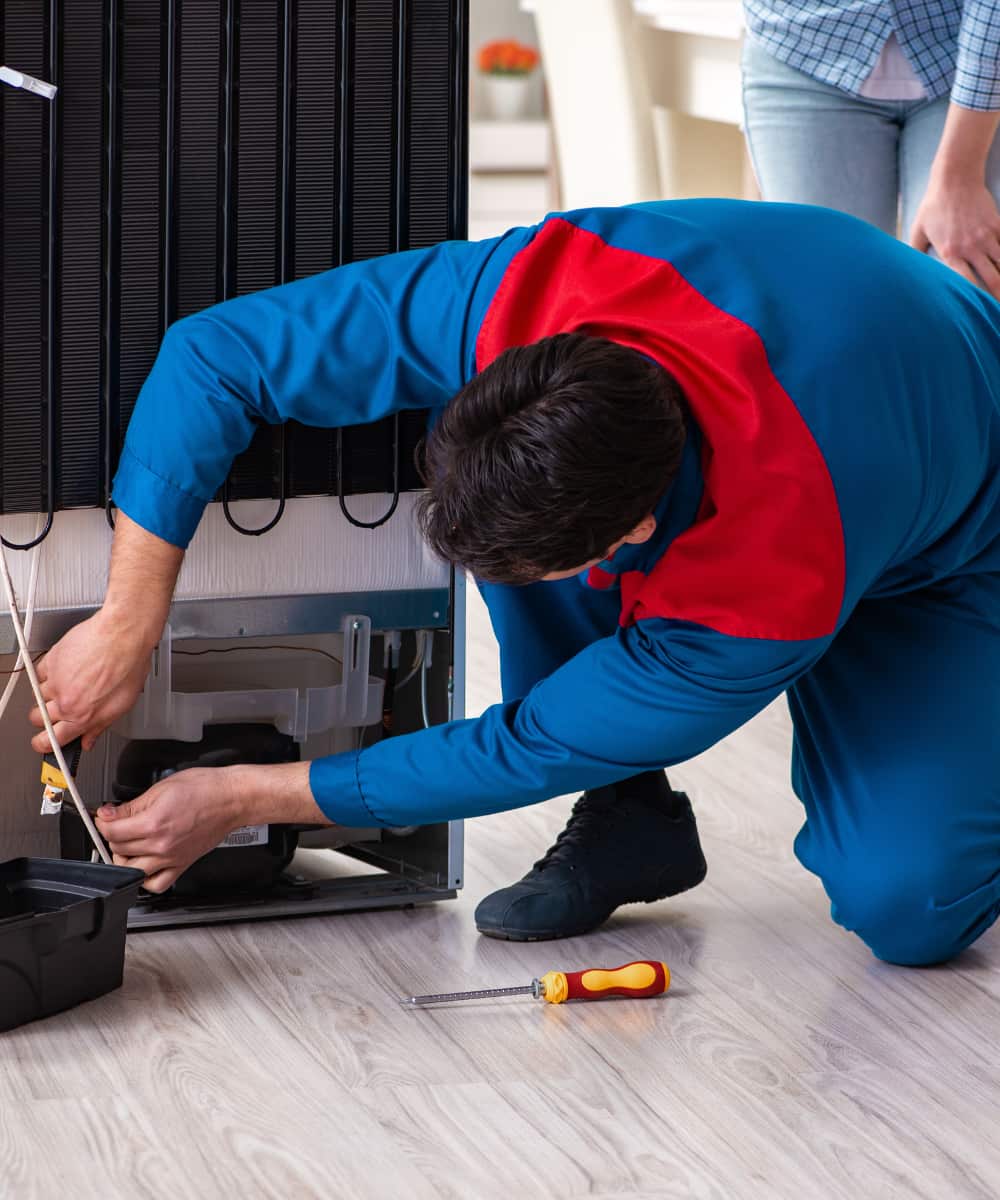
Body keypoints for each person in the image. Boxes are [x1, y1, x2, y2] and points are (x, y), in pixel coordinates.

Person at [29, 199, 1000, 966]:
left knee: (908, 907)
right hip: (847, 374)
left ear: (634, 532)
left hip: (954, 534)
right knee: (517, 521)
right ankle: (630, 822)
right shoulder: (533, 291)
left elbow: (530, 744)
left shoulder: (760, 587)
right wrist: (128, 619)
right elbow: (217, 355)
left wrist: (242, 797)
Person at [742, 1, 1000, 298]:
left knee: (961, 292)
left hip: (973, 59)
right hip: (804, 48)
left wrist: (960, 177)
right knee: (828, 295)